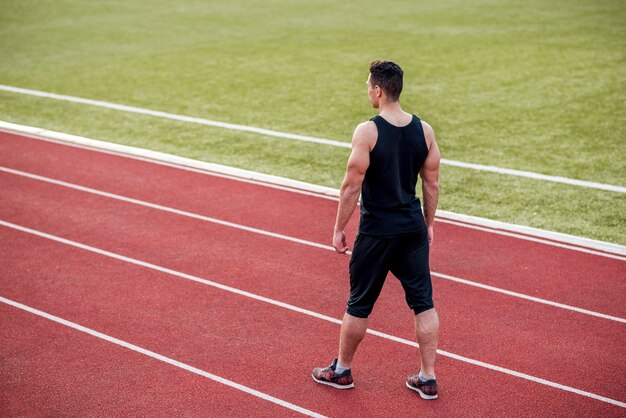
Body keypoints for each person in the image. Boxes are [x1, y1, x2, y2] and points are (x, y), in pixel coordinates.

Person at [311, 60, 441, 400]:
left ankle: (341, 371)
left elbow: (350, 187)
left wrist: (339, 228)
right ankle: (427, 377)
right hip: (411, 228)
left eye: (368, 85)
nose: (367, 90)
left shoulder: (367, 132)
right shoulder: (425, 131)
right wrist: (428, 224)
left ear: (379, 90)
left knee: (359, 303)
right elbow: (432, 184)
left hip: (377, 232)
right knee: (423, 303)